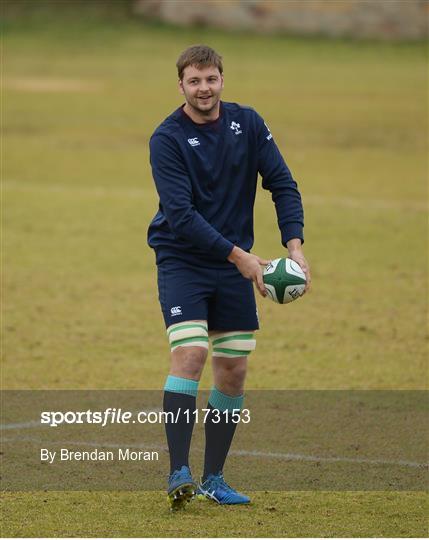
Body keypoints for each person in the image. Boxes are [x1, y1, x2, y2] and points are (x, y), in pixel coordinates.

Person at [147, 45, 310, 510]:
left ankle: (214, 478)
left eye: (211, 79)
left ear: (222, 79)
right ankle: (178, 471)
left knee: (234, 370)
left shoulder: (249, 123)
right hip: (184, 259)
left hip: (237, 261)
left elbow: (282, 182)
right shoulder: (167, 137)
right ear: (180, 85)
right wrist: (240, 256)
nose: (204, 89)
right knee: (191, 350)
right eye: (194, 81)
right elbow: (180, 215)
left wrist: (293, 246)